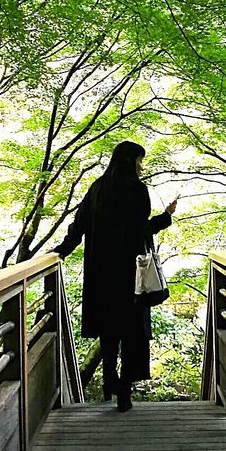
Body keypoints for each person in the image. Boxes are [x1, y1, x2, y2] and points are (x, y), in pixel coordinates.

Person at [55, 140, 177, 412]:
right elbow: (141, 231)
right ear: (131, 161)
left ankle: (109, 377)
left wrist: (61, 250)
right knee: (132, 331)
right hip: (132, 274)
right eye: (139, 160)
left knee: (108, 328)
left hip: (101, 272)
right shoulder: (137, 190)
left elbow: (80, 224)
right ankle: (124, 390)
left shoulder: (97, 188)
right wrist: (166, 217)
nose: (141, 166)